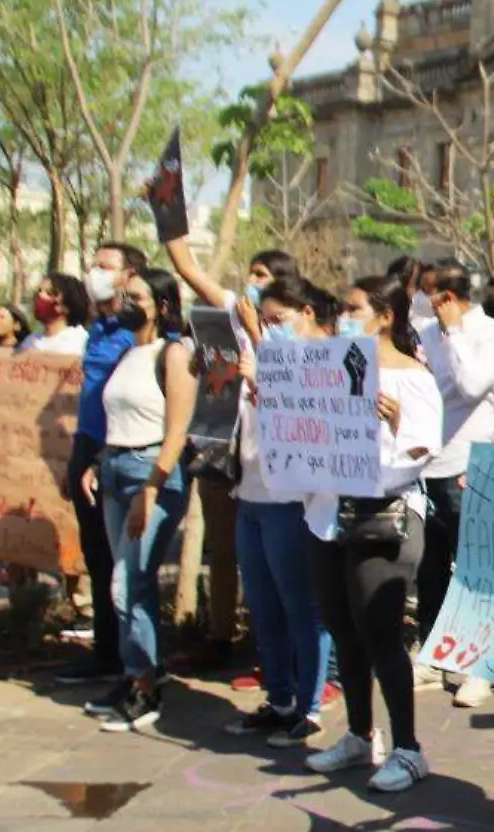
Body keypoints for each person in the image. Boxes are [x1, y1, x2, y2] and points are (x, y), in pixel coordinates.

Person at [303, 274, 444, 793]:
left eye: (354, 308)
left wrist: (399, 420)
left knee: (380, 632)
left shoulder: (413, 377)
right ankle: (360, 734)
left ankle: (408, 747)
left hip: (380, 518)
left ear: (384, 317)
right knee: (343, 629)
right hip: (327, 515)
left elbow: (423, 449)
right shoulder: (328, 370)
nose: (344, 316)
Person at [191, 274, 335, 748]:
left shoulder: (321, 361)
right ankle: (280, 699)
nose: (271, 329)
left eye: (280, 320)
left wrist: (263, 375)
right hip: (249, 495)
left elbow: (312, 425)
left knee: (302, 608)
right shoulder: (255, 356)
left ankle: (310, 706)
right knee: (263, 607)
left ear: (307, 313)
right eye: (266, 320)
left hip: (291, 502)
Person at [164, 236, 302, 676]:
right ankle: (222, 637)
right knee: (223, 551)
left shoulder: (297, 326)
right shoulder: (233, 310)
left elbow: (292, 381)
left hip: (273, 463)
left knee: (277, 561)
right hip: (226, 449)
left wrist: (258, 332)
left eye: (262, 275)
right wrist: (170, 224)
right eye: (252, 273)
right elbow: (189, 269)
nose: (252, 282)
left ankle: (276, 654)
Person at [82, 268, 197, 732]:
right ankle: (136, 674)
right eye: (122, 296)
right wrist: (96, 462)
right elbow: (118, 417)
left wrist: (150, 490)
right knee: (126, 583)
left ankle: (146, 689)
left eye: (135, 296)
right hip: (115, 469)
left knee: (130, 584)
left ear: (163, 305)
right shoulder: (129, 352)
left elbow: (177, 430)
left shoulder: (174, 354)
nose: (123, 302)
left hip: (152, 475)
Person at [414, 258, 494, 709]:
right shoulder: (425, 333)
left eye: (426, 293)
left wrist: (451, 333)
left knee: (475, 570)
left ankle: (479, 666)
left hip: (467, 469)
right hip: (424, 468)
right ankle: (433, 652)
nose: (420, 301)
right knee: (429, 568)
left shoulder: (492, 334)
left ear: (447, 297)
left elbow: (471, 386)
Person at [55, 242, 147, 685]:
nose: (94, 271)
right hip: (86, 443)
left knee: (119, 562)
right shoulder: (99, 327)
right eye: (93, 264)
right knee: (96, 557)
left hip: (113, 451)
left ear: (129, 275)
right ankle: (105, 649)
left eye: (105, 266)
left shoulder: (136, 333)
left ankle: (132, 660)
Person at [25, 273, 90, 356]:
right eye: (39, 291)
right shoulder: (30, 340)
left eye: (50, 293)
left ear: (67, 305)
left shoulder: (79, 341)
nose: (40, 296)